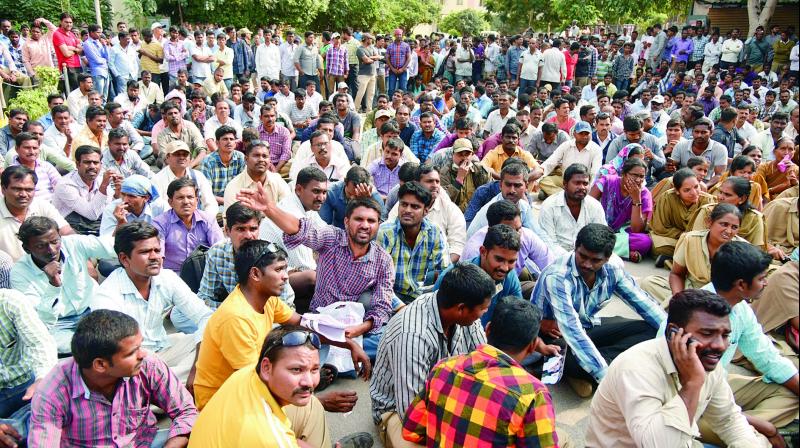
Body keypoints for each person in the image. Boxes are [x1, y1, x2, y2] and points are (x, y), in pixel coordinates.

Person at [192, 238, 369, 411]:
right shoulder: (235, 318)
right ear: (255, 274)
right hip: (222, 405)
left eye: (285, 269)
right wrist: (317, 402)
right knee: (307, 409)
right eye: (278, 270)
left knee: (302, 340)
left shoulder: (266, 299)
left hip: (250, 384)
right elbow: (253, 384)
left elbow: (303, 324)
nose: (286, 276)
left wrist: (348, 344)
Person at [584, 289, 770, 447]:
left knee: (757, 441)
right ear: (674, 332)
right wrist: (692, 384)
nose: (720, 345)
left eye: (725, 335)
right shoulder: (636, 368)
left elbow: (728, 419)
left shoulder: (707, 363)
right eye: (707, 333)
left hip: (683, 441)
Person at [237, 183, 394, 359]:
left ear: (379, 224)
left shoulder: (384, 261)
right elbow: (300, 229)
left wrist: (359, 329)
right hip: (320, 323)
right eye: (359, 219)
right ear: (347, 221)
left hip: (356, 327)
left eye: (371, 221)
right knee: (295, 343)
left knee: (389, 340)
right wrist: (269, 208)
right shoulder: (331, 238)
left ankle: (331, 359)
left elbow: (382, 307)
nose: (365, 225)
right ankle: (330, 359)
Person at [402, 297, 558, 447]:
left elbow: (411, 430)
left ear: (488, 329)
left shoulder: (443, 368)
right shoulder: (533, 394)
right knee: (562, 439)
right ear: (532, 346)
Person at [28, 309, 198, 447]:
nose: (143, 354)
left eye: (140, 346)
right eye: (132, 352)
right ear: (100, 365)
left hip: (144, 442)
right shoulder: (53, 392)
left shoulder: (148, 365)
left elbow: (186, 411)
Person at [369, 263, 495, 448]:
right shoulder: (412, 334)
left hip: (446, 396)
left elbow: (486, 365)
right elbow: (410, 412)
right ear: (461, 309)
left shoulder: (465, 314)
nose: (484, 314)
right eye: (482, 310)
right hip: (397, 411)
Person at [533, 223, 666, 397]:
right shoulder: (557, 276)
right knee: (568, 356)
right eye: (582, 256)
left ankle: (592, 368)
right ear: (575, 247)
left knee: (652, 330)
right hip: (555, 338)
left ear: (608, 258)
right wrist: (606, 377)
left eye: (595, 260)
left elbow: (644, 304)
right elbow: (572, 330)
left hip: (588, 326)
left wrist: (674, 334)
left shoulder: (613, 270)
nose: (587, 264)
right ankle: (597, 369)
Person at [189, 325, 373, 448]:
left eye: (314, 369)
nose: (309, 382)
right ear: (267, 367)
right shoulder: (266, 436)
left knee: (311, 404)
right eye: (296, 369)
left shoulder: (246, 373)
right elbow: (272, 439)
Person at [694, 241, 800, 445]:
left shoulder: (741, 309)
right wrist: (766, 428)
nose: (766, 283)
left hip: (718, 389)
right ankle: (746, 429)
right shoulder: (694, 318)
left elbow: (767, 358)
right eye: (761, 278)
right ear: (741, 285)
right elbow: (691, 392)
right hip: (690, 405)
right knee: (757, 441)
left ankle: (746, 425)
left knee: (790, 391)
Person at [93, 221, 213, 381]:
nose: (155, 257)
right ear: (124, 259)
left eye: (157, 250)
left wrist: (198, 364)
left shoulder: (167, 278)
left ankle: (169, 385)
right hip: (132, 363)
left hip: (163, 350)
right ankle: (172, 386)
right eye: (145, 252)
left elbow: (206, 316)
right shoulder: (107, 295)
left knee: (213, 344)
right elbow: (116, 350)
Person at [11, 216, 115, 354]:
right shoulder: (19, 272)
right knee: (62, 345)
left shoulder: (74, 243)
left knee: (117, 332)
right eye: (41, 246)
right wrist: (53, 285)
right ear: (27, 248)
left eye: (55, 241)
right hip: (57, 325)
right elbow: (40, 320)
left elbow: (112, 247)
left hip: (92, 310)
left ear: (60, 236)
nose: (52, 250)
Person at [642, 203, 747, 305]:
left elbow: (743, 288)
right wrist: (679, 299)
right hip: (690, 290)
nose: (728, 231)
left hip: (719, 299)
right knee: (648, 283)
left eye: (734, 227)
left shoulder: (742, 249)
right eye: (724, 224)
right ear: (709, 222)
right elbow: (677, 274)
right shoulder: (690, 239)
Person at [0, 288, 57, 442]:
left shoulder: (10, 302)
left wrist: (42, 379)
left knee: (58, 399)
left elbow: (40, 342)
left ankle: (18, 426)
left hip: (26, 385)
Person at [378, 181, 448, 304]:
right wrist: (401, 308)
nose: (407, 210)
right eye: (404, 204)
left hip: (419, 296)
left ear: (426, 211)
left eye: (415, 207)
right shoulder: (385, 232)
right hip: (389, 294)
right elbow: (379, 280)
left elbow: (444, 270)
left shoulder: (434, 232)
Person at [0, 166, 73, 261]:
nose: (23, 195)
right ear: (3, 189)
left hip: (47, 266)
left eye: (29, 190)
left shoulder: (42, 205)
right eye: (17, 189)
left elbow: (67, 233)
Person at [153, 177, 223, 273]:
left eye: (190, 197)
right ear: (170, 202)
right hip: (174, 276)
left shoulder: (208, 220)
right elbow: (157, 256)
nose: (186, 202)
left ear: (197, 200)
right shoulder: (160, 223)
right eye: (180, 198)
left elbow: (220, 250)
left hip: (204, 275)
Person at [589, 157, 653, 262]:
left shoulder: (644, 194)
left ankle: (597, 250)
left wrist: (636, 199)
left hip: (622, 234)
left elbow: (637, 229)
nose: (638, 180)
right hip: (600, 227)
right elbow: (589, 204)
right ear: (623, 174)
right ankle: (621, 253)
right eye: (634, 175)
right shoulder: (607, 181)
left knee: (644, 242)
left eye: (642, 177)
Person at [690, 176, 771, 255]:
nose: (720, 197)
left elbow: (756, 251)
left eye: (727, 195)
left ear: (742, 199)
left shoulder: (754, 218)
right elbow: (696, 242)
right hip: (704, 255)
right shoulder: (707, 211)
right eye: (720, 192)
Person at [650, 167, 716, 261]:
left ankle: (674, 260)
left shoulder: (708, 201)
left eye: (696, 187)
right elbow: (660, 227)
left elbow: (707, 232)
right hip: (673, 239)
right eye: (687, 190)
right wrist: (682, 235)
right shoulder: (667, 198)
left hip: (696, 242)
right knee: (656, 245)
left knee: (701, 249)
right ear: (677, 191)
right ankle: (684, 259)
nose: (694, 193)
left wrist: (690, 238)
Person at [539, 163, 607, 253]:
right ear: (565, 184)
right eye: (577, 183)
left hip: (587, 256)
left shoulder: (595, 206)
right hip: (557, 257)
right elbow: (548, 243)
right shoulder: (549, 206)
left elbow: (601, 236)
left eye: (585, 183)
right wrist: (572, 259)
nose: (582, 187)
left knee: (616, 263)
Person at [152, 140, 219, 217]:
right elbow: (157, 207)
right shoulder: (157, 179)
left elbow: (211, 203)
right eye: (177, 154)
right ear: (167, 157)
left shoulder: (198, 176)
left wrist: (205, 220)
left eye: (185, 154)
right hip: (169, 222)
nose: (182, 157)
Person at [537, 121, 603, 198]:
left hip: (583, 182)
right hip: (565, 180)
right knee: (543, 181)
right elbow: (551, 162)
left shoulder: (596, 149)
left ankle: (556, 195)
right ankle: (566, 196)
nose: (584, 136)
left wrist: (588, 190)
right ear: (574, 134)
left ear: (591, 134)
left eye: (587, 134)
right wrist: (537, 178)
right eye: (581, 133)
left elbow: (595, 173)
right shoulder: (566, 145)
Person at [223, 139, 290, 211]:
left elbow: (289, 212)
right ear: (246, 159)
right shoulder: (233, 186)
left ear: (270, 160)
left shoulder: (277, 180)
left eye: (265, 156)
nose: (261, 159)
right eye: (256, 156)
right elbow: (231, 220)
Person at [99, 175, 168, 236]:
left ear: (146, 198)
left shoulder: (159, 207)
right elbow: (107, 243)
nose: (125, 200)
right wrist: (121, 223)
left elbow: (168, 235)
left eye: (131, 196)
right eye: (123, 194)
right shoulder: (112, 209)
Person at [320, 166, 385, 229]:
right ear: (345, 181)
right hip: (339, 231)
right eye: (350, 194)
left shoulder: (373, 196)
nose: (352, 199)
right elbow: (324, 224)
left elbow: (381, 224)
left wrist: (366, 202)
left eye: (357, 196)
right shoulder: (331, 193)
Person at [439, 137, 491, 212]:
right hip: (453, 214)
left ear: (472, 154)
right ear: (453, 154)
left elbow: (489, 194)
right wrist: (459, 179)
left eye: (467, 154)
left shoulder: (480, 170)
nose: (463, 158)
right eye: (460, 154)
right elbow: (442, 200)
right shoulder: (445, 172)